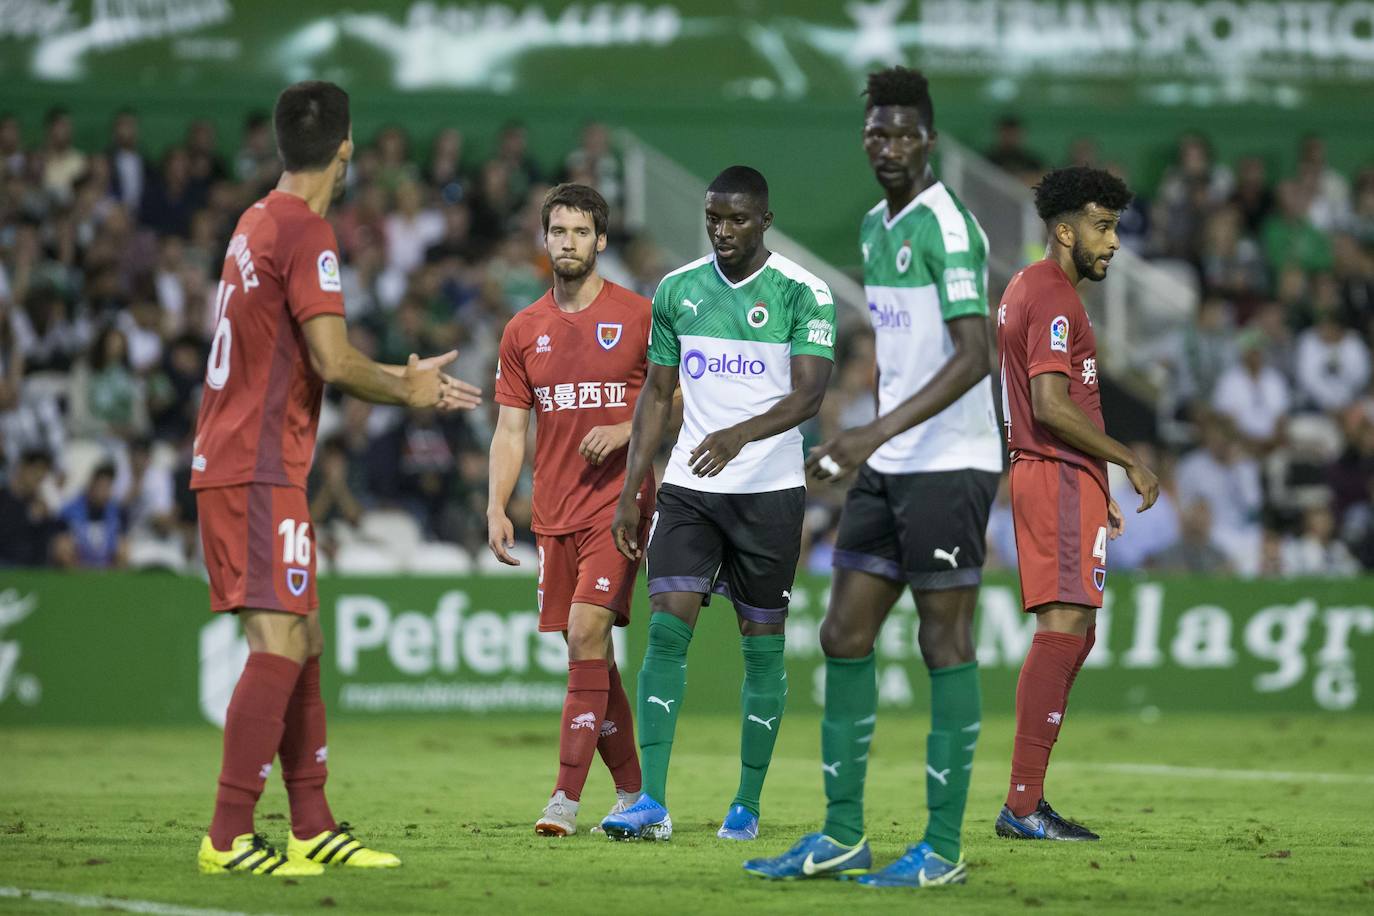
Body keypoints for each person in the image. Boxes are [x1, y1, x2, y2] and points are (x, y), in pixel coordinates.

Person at [190, 80, 480, 877]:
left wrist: (400, 376)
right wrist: (405, 387)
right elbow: (330, 360)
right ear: (346, 147)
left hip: (250, 460)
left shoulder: (255, 221)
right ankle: (227, 834)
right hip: (255, 466)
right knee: (279, 638)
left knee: (304, 634)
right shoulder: (307, 229)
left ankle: (311, 824)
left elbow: (302, 356)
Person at [744, 66, 1000, 888]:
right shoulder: (872, 226)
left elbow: (973, 357)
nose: (885, 147)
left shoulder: (947, 229)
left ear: (928, 140)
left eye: (900, 135)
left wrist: (867, 433)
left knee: (942, 641)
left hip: (950, 462)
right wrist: (865, 444)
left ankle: (944, 851)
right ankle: (844, 835)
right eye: (874, 134)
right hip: (889, 464)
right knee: (842, 633)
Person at [601, 165, 835, 842]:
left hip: (769, 493)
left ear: (764, 219)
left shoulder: (804, 292)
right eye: (713, 219)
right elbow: (655, 394)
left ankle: (747, 803)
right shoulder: (676, 291)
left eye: (736, 219)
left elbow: (810, 395)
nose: (723, 231)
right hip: (690, 492)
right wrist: (629, 492)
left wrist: (738, 435)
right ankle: (650, 801)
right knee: (666, 632)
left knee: (761, 648)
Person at [993, 165, 1158, 842]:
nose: (1113, 241)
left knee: (1079, 629)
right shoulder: (1054, 296)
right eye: (1103, 225)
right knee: (1063, 624)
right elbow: (1050, 404)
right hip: (1055, 472)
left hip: (1066, 477)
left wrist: (1096, 481)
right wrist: (1126, 457)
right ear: (1064, 230)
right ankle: (1023, 805)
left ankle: (1029, 800)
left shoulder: (1030, 287)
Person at [487, 183, 650, 837]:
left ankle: (564, 798)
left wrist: (626, 431)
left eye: (582, 232)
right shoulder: (523, 329)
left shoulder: (639, 314)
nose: (569, 243)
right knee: (589, 654)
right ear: (544, 239)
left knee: (586, 634)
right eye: (559, 231)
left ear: (601, 241)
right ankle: (635, 791)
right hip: (553, 514)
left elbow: (678, 402)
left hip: (620, 507)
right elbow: (509, 430)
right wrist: (497, 505)